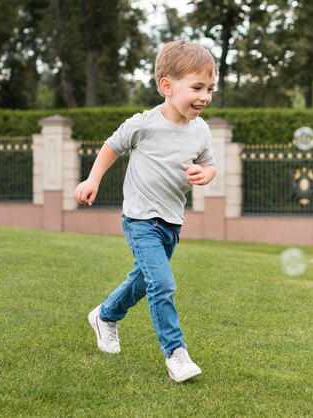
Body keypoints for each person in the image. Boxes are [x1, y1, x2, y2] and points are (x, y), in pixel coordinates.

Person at [74, 40, 217, 383]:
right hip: (140, 218)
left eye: (210, 88)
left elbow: (209, 165)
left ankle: (105, 316)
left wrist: (205, 174)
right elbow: (112, 147)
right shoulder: (144, 123)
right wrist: (93, 179)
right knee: (163, 284)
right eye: (197, 87)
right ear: (167, 86)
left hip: (172, 221)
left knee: (143, 280)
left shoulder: (201, 130)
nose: (205, 96)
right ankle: (176, 353)